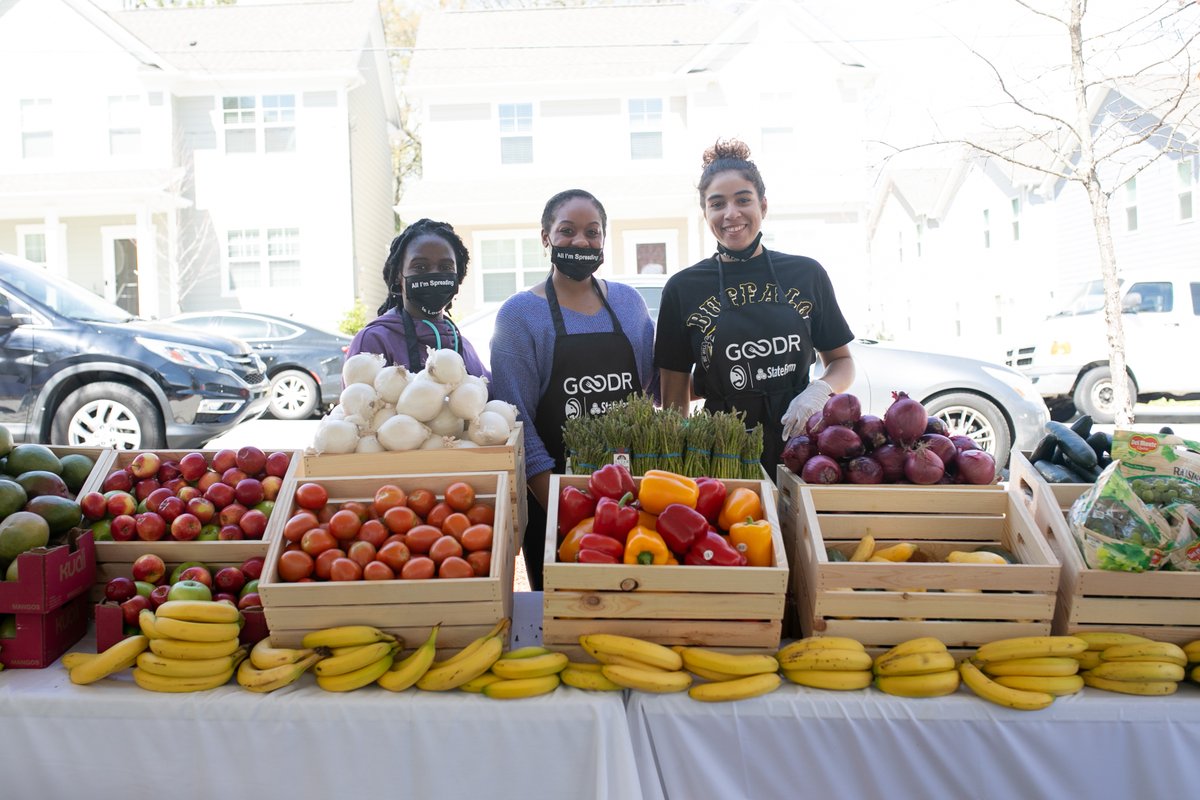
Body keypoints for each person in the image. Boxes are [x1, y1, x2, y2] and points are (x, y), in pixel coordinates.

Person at [656, 139, 856, 474]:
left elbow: (842, 362)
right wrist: (683, 458)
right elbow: (674, 398)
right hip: (722, 456)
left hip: (803, 451)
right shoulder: (683, 288)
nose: (731, 213)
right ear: (706, 213)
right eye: (717, 204)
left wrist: (819, 391)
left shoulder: (806, 273)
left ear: (763, 205)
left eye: (743, 200)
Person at [491, 189, 657, 589]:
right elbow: (517, 421)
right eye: (567, 231)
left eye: (591, 232)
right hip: (554, 505)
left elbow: (650, 391)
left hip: (632, 501)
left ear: (603, 239)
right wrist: (564, 507)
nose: (580, 242)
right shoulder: (519, 315)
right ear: (546, 237)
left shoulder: (629, 304)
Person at [346, 218, 490, 380]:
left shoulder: (462, 345)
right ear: (398, 276)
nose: (434, 275)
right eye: (420, 267)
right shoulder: (374, 341)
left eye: (445, 267)